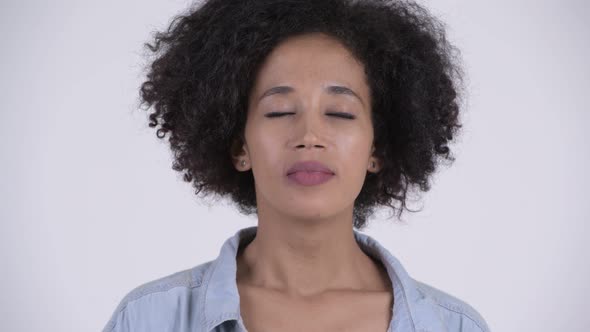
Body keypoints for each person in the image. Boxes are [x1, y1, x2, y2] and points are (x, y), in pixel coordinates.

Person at [103, 0, 490, 331]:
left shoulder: (453, 326)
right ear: (240, 146)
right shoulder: (148, 319)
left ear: (378, 148)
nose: (309, 135)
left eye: (340, 113)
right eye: (280, 111)